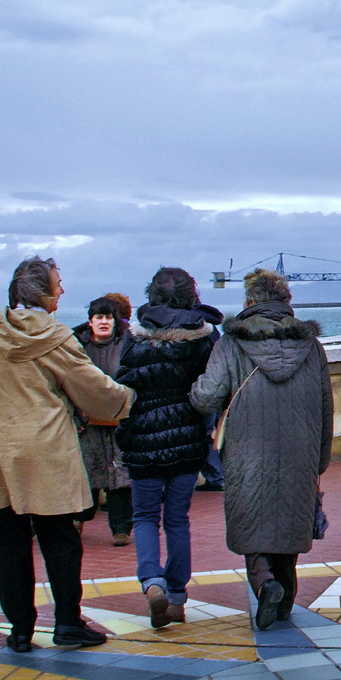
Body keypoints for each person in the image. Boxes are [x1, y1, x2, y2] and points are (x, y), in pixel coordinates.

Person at [0, 258, 131, 652]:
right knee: (60, 539)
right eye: (58, 284)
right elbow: (93, 390)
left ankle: (19, 629)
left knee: (4, 542)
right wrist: (129, 400)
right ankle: (67, 622)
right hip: (46, 450)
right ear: (44, 293)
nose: (62, 291)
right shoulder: (56, 336)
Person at [190, 268, 336, 629]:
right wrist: (319, 460)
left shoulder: (232, 342)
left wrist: (193, 390)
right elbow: (325, 406)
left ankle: (264, 583)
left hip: (246, 449)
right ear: (286, 303)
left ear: (250, 303)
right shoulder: (311, 346)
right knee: (288, 518)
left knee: (251, 515)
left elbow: (207, 397)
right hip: (301, 450)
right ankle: (284, 597)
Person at [117, 267, 222, 628]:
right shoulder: (206, 337)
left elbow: (123, 384)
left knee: (145, 517)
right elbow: (213, 387)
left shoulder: (135, 336)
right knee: (178, 518)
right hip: (188, 441)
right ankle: (176, 597)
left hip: (142, 441)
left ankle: (152, 583)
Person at [73, 294, 134, 545]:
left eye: (108, 317)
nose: (104, 322)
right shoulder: (77, 345)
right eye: (98, 317)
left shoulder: (127, 343)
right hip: (87, 422)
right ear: (90, 322)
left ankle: (121, 528)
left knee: (120, 477)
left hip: (121, 420)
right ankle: (77, 520)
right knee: (86, 474)